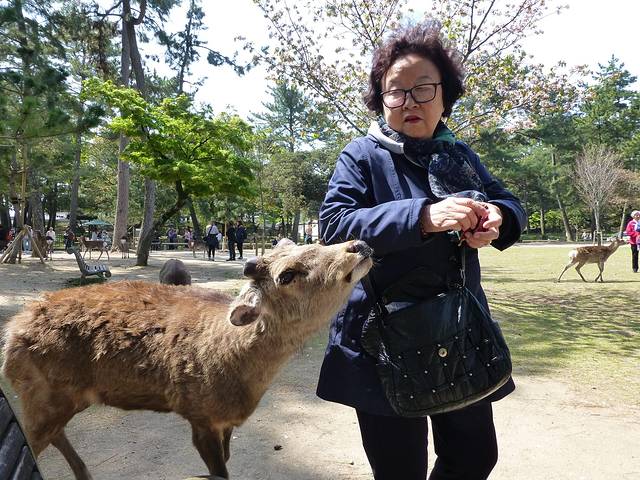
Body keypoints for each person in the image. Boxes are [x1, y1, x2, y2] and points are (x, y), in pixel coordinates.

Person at [316, 23, 525, 480]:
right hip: (381, 339)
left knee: (475, 456)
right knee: (399, 470)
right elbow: (333, 226)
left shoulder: (461, 156)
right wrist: (423, 216)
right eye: (396, 91)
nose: (409, 101)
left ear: (445, 96)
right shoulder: (362, 155)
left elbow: (510, 203)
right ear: (381, 101)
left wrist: (497, 217)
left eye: (423, 88)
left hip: (459, 332)